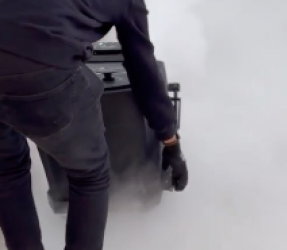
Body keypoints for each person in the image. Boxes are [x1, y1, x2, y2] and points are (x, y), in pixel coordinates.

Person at [0, 0, 189, 249]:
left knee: (6, 170)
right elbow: (143, 71)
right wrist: (171, 142)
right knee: (89, 175)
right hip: (44, 78)